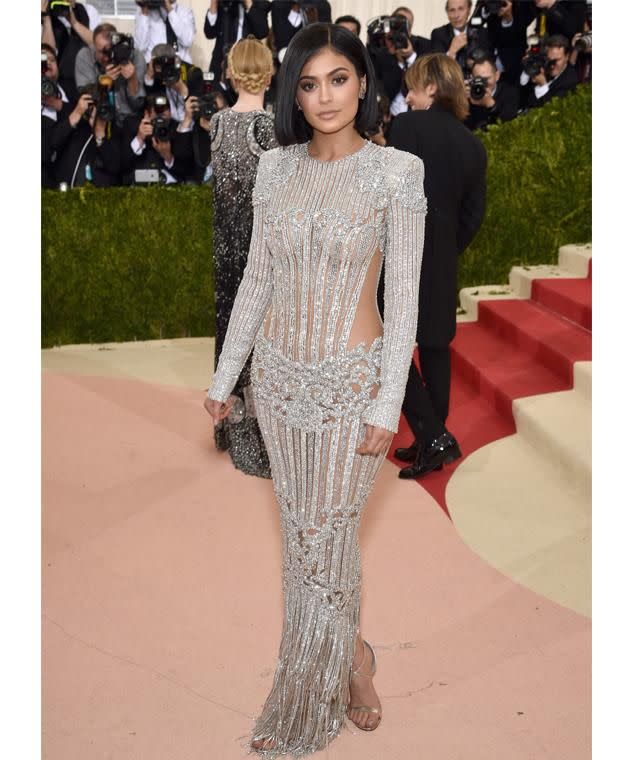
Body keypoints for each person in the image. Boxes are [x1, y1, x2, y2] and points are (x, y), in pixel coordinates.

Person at [204, 22, 426, 755]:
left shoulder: (398, 174)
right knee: (308, 543)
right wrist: (226, 376)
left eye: (338, 79)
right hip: (279, 383)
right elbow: (257, 281)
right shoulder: (275, 169)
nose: (324, 96)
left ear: (363, 83)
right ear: (292, 92)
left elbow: (406, 301)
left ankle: (309, 685)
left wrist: (386, 401)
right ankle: (354, 658)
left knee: (323, 538)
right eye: (308, 83)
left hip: (351, 385)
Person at [386, 53, 487, 478]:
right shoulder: (473, 144)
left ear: (432, 86)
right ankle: (433, 438)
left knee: (384, 347)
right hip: (442, 259)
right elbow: (472, 217)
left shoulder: (406, 127)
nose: (407, 96)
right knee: (434, 348)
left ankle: (431, 435)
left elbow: (389, 195)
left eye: (412, 86)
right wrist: (445, 247)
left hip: (401, 255)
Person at [209, 36, 277, 478]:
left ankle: (227, 424)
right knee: (258, 336)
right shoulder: (268, 127)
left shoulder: (215, 122)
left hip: (223, 246)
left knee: (230, 328)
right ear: (270, 75)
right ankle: (253, 436)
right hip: (259, 248)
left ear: (231, 74)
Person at [75, 24, 146, 128]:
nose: (107, 57)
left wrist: (132, 79)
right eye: (102, 52)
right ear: (94, 46)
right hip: (99, 118)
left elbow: (138, 106)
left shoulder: (134, 56)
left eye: (110, 51)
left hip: (128, 120)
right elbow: (85, 99)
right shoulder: (85, 56)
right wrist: (104, 82)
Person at [371, 9, 432, 117]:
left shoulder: (425, 45)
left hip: (419, 114)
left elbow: (427, 78)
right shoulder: (382, 52)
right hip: (391, 116)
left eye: (405, 24)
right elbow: (380, 86)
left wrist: (410, 56)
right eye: (397, 23)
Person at [41, 0, 102, 100]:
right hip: (58, 86)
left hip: (86, 81)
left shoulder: (87, 11)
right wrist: (46, 19)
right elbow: (47, 54)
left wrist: (74, 22)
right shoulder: (45, 14)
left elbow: (99, 46)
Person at [204, 0, 271, 82]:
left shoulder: (259, 4)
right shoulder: (223, 4)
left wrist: (248, 3)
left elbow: (262, 32)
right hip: (220, 65)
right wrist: (214, 3)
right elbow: (209, 33)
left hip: (247, 66)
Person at [431, 0, 490, 73]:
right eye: (452, 10)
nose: (456, 15)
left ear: (469, 10)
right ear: (447, 13)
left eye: (461, 9)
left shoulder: (482, 33)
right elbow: (436, 69)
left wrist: (476, 64)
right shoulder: (439, 34)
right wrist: (451, 52)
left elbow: (490, 64)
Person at [521, 34, 578, 109]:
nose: (552, 65)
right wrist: (529, 64)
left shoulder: (571, 80)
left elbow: (553, 110)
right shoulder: (543, 65)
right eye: (549, 60)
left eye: (556, 60)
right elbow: (522, 93)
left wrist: (543, 85)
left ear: (567, 57)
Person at [465, 53, 518, 130]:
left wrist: (491, 105)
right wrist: (461, 101)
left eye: (486, 79)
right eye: (478, 79)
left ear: (497, 76)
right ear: (471, 78)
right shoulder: (470, 95)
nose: (483, 84)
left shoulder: (510, 92)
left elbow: (510, 126)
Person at [134, 0, 196, 65]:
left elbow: (187, 41)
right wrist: (144, 10)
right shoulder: (143, 12)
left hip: (180, 67)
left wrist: (170, 10)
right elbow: (140, 48)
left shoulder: (185, 12)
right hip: (153, 68)